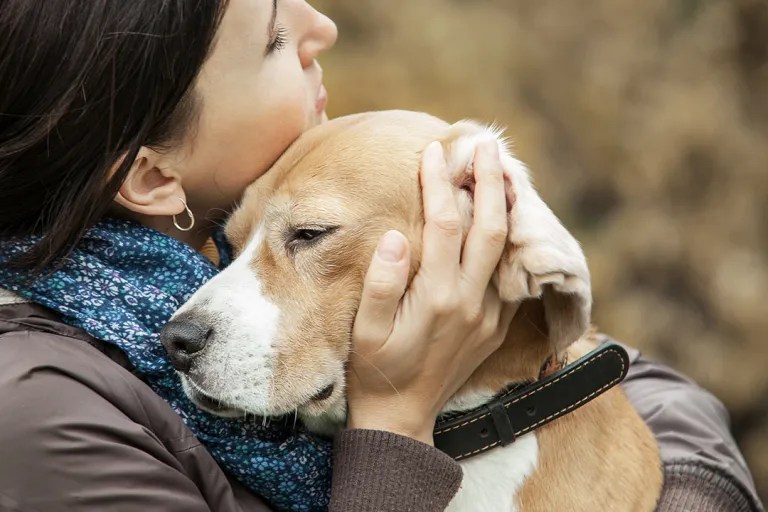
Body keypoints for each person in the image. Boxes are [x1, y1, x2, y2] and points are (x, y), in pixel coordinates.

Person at [0, 1, 761, 511]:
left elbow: (619, 374)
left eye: (301, 236)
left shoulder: (202, 253)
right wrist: (395, 421)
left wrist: (689, 489)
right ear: (154, 175)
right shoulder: (41, 414)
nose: (320, 25)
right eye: (270, 39)